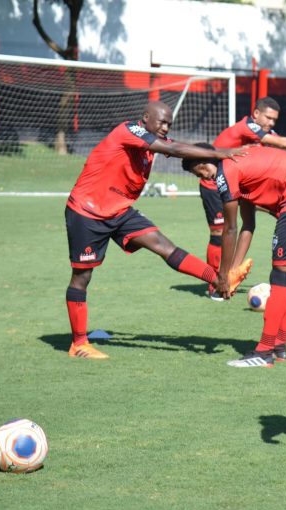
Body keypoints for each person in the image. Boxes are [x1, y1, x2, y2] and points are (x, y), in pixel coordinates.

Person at [64, 101, 251, 359]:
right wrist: (222, 152)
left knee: (163, 245)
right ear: (145, 118)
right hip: (87, 211)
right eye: (161, 122)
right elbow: (172, 148)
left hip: (120, 211)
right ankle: (79, 343)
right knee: (82, 277)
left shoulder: (153, 142)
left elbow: (180, 151)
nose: (165, 127)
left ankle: (219, 280)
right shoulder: (129, 130)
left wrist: (215, 161)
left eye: (169, 124)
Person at [182, 144, 286, 368]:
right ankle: (279, 346)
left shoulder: (225, 172)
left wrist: (221, 277)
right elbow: (247, 225)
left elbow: (229, 229)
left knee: (280, 277)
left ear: (201, 164)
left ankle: (264, 351)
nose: (204, 178)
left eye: (198, 173)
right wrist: (233, 271)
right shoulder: (240, 169)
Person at [200, 97, 286, 299]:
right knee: (219, 231)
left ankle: (231, 275)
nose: (271, 123)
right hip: (214, 182)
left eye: (275, 120)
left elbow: (281, 144)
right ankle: (214, 282)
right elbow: (281, 142)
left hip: (242, 182)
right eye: (268, 118)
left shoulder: (262, 133)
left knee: (260, 219)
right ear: (256, 114)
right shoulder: (247, 127)